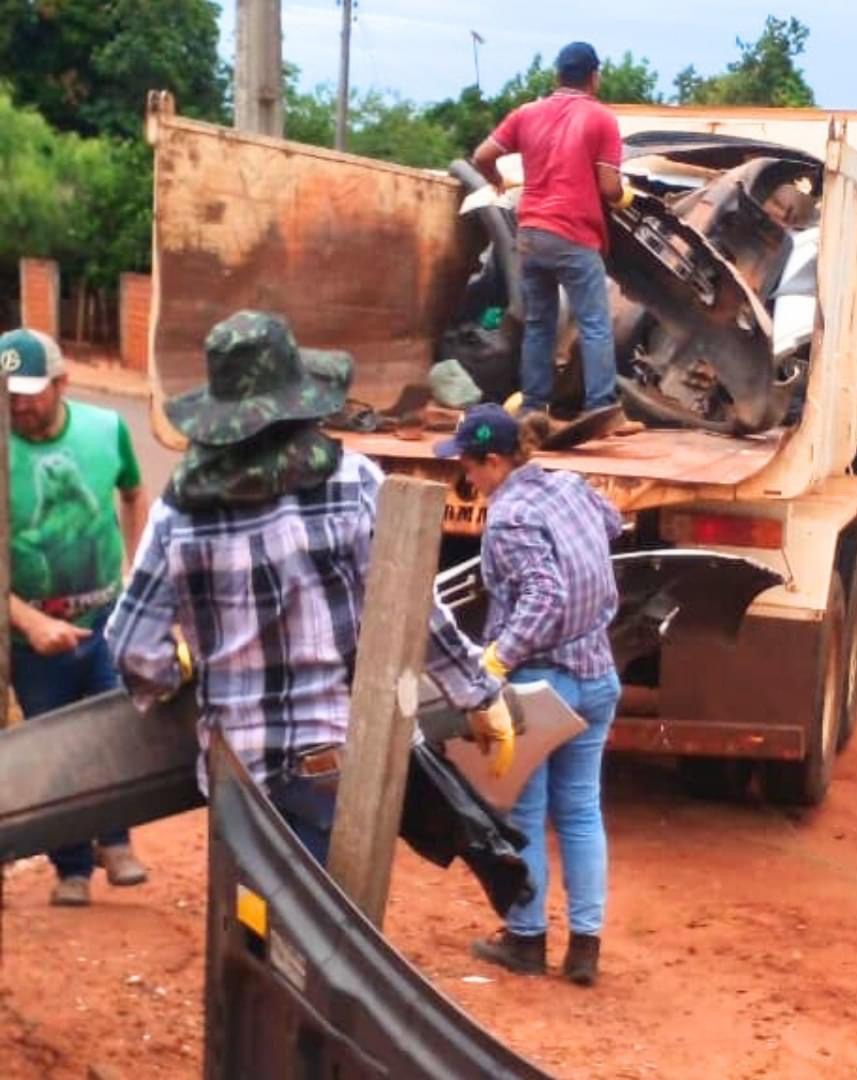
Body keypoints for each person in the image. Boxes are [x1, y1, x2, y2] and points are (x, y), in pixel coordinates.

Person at [105, 311, 514, 867]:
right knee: (327, 929)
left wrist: (172, 671)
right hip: (338, 759)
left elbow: (130, 645)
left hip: (240, 772)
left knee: (250, 927)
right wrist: (477, 693)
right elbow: (410, 613)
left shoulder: (180, 512)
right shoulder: (353, 483)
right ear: (299, 404)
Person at [434, 403, 622, 986]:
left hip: (541, 683)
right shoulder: (567, 484)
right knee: (582, 810)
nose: (467, 480)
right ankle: (585, 948)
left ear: (494, 461)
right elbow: (613, 523)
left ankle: (526, 938)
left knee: (524, 815)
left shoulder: (510, 516)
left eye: (469, 467)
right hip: (597, 675)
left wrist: (499, 655)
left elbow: (544, 596)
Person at [5, 327, 149, 906]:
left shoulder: (105, 430)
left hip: (104, 613)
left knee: (112, 728)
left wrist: (134, 571)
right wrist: (30, 624)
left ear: (62, 383)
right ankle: (70, 867)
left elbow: (135, 494)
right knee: (53, 743)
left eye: (29, 391)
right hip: (31, 631)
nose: (17, 403)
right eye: (6, 391)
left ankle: (115, 841)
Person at [471, 41, 636, 428]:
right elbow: (609, 186)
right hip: (573, 234)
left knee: (540, 324)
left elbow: (481, 156)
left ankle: (532, 408)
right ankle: (601, 410)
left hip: (530, 234)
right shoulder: (600, 119)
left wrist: (497, 181)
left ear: (557, 75)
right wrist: (623, 197)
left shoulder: (526, 114)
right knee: (595, 322)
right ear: (594, 77)